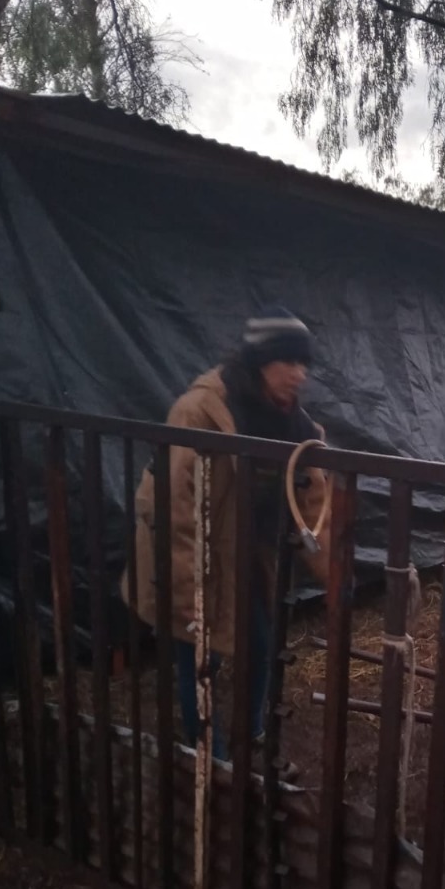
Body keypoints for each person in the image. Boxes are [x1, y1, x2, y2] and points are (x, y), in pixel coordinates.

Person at [123, 307, 331, 761]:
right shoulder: (201, 412)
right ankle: (209, 758)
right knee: (201, 658)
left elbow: (314, 503)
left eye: (304, 364)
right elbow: (173, 507)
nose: (299, 374)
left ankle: (250, 732)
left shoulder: (296, 426)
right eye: (287, 361)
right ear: (259, 360)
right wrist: (185, 594)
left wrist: (335, 575)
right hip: (193, 553)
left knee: (259, 644)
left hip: (244, 554)